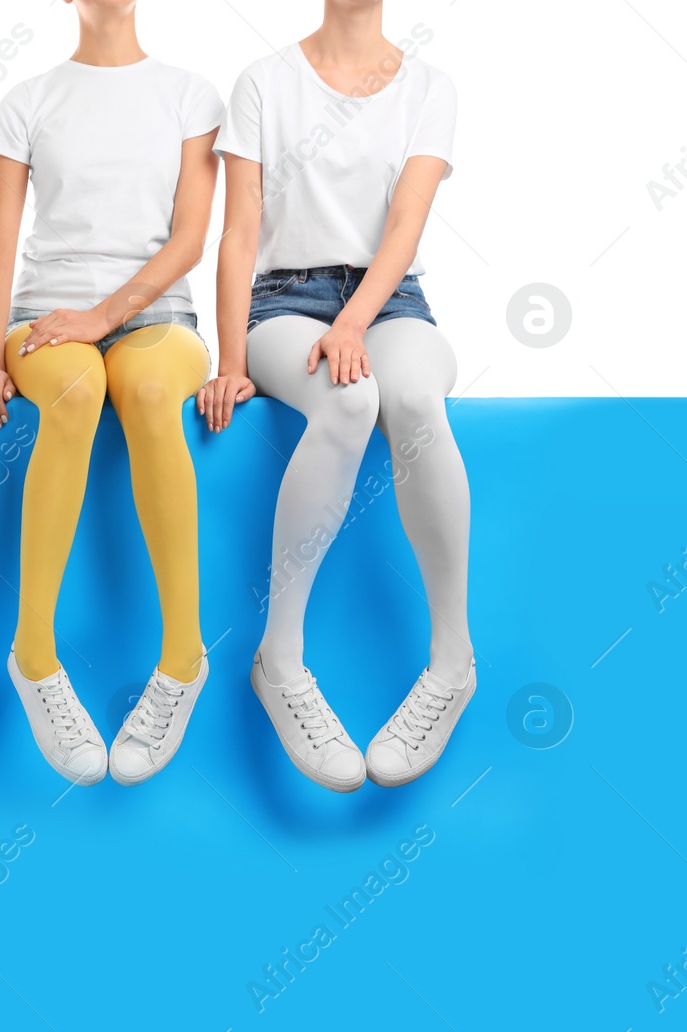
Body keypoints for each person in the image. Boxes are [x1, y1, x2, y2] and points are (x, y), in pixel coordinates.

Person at [0, 0, 229, 786]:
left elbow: (191, 237)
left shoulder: (190, 94)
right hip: (45, 320)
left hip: (159, 316)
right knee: (78, 393)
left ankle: (183, 658)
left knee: (147, 389)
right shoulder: (28, 100)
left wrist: (107, 315)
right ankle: (34, 656)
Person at [214, 0, 474, 791]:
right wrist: (230, 357)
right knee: (350, 402)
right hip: (283, 304)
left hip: (392, 303)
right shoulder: (264, 80)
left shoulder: (430, 86)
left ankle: (452, 662)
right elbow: (240, 226)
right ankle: (281, 662)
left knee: (417, 403)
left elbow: (406, 222)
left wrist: (357, 321)